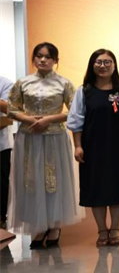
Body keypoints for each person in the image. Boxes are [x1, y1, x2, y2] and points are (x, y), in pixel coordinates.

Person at [7, 42, 81, 247]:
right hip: (29, 137)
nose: (43, 60)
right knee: (31, 180)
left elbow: (74, 111)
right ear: (33, 58)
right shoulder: (23, 83)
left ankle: (55, 225)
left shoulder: (64, 83)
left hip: (55, 138)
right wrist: (29, 119)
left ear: (56, 60)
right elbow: (12, 108)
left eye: (48, 57)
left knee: (54, 180)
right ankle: (39, 226)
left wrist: (49, 119)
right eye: (39, 56)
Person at [67, 49, 119, 246]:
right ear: (92, 65)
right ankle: (102, 230)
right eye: (98, 62)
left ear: (114, 65)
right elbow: (76, 121)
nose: (102, 66)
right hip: (92, 148)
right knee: (95, 189)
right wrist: (78, 146)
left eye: (107, 62)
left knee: (117, 188)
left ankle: (115, 229)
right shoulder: (84, 91)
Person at [0, 75, 13, 230]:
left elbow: (10, 109)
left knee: (1, 183)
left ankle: (2, 218)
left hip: (1, 144)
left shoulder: (5, 83)